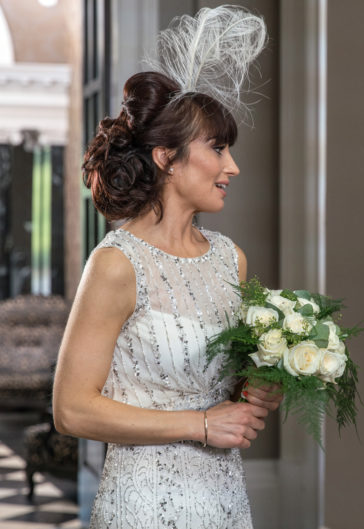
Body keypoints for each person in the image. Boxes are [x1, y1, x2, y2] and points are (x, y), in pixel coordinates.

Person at [52, 7, 281, 529]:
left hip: (224, 498)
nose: (232, 167)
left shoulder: (231, 259)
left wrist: (261, 389)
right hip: (143, 500)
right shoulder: (117, 263)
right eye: (218, 149)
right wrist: (201, 424)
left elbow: (227, 395)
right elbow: (72, 410)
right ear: (166, 157)